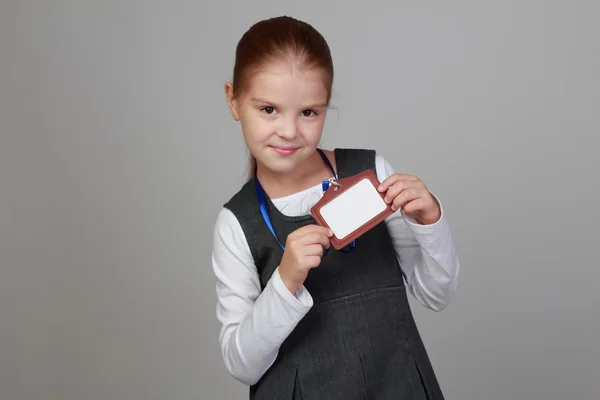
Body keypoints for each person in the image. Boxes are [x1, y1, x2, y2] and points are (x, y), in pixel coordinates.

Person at [212, 15, 460, 400]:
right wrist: (285, 280)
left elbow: (436, 294)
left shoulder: (371, 173)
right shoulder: (235, 224)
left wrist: (430, 221)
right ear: (234, 100)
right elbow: (242, 364)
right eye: (269, 110)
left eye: (309, 112)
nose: (290, 131)